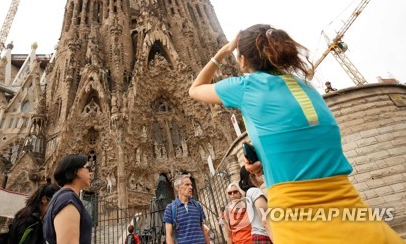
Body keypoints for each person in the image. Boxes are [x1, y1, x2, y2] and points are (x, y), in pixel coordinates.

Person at [188, 24, 403, 243]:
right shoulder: (307, 88)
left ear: (242, 60)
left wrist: (223, 51)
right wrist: (267, 157)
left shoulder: (246, 87)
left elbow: (195, 89)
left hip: (297, 218)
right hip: (355, 213)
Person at [43, 154, 93, 244]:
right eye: (88, 168)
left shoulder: (62, 197)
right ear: (75, 171)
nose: (91, 172)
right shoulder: (67, 199)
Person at [8, 180, 60, 244]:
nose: (55, 209)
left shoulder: (25, 216)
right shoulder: (31, 223)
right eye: (54, 204)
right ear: (44, 199)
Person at [163, 174, 210, 244]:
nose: (191, 187)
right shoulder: (170, 208)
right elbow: (169, 236)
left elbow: (203, 229)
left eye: (191, 184)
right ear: (178, 187)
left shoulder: (197, 205)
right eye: (187, 185)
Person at [238, 166, 273, 244]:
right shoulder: (255, 191)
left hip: (259, 236)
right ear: (251, 176)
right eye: (259, 172)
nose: (262, 173)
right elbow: (265, 221)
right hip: (264, 236)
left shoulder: (249, 193)